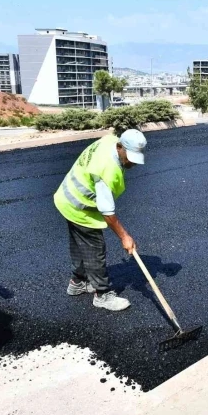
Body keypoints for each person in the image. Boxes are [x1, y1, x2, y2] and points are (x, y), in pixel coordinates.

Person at [53, 129, 147, 311]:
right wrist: (124, 237)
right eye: (130, 157)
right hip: (80, 206)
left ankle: (77, 283)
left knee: (80, 245)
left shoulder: (110, 140)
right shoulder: (107, 170)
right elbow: (108, 212)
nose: (132, 163)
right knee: (95, 249)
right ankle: (102, 295)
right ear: (120, 147)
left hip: (67, 198)